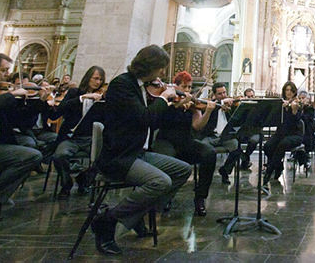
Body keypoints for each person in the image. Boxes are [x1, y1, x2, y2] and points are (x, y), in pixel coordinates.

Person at [91, 45, 191, 256]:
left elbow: (153, 121)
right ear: (150, 66)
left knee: (182, 170)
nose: (163, 74)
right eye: (161, 68)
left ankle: (135, 216)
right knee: (160, 182)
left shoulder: (140, 86)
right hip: (119, 155)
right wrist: (163, 99)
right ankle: (108, 220)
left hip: (137, 151)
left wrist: (171, 105)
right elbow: (145, 119)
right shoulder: (122, 85)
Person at [0, 53, 42, 222]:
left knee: (32, 156)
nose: (7, 75)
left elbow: (19, 121)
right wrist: (9, 97)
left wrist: (38, 102)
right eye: (3, 70)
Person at [153, 70, 216, 217]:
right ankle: (166, 196)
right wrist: (179, 103)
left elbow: (197, 126)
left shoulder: (192, 105)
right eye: (184, 86)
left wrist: (207, 112)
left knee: (209, 153)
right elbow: (160, 118)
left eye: (189, 87)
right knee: (169, 158)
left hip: (185, 141)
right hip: (166, 140)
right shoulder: (167, 100)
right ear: (175, 86)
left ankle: (200, 197)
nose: (187, 90)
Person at [52, 65, 106, 198]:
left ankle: (84, 179)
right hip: (72, 138)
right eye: (95, 78)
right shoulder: (74, 93)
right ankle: (66, 184)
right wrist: (82, 98)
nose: (98, 82)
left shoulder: (103, 98)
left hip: (91, 139)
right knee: (59, 156)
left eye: (101, 80)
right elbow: (58, 112)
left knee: (106, 157)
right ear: (88, 78)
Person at [196, 82, 241, 184]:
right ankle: (203, 179)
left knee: (236, 146)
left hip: (225, 137)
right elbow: (204, 124)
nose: (223, 96)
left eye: (224, 92)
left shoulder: (231, 105)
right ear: (215, 95)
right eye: (220, 94)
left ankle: (225, 171)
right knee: (204, 149)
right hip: (210, 136)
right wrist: (219, 106)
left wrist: (229, 111)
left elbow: (237, 121)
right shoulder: (210, 106)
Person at [263, 81, 304, 186]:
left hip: (295, 134)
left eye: (291, 90)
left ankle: (269, 171)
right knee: (267, 146)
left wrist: (294, 111)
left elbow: (296, 121)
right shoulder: (281, 103)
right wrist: (283, 108)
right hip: (281, 133)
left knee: (282, 144)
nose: (289, 92)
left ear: (294, 92)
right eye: (287, 90)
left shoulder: (297, 103)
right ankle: (278, 166)